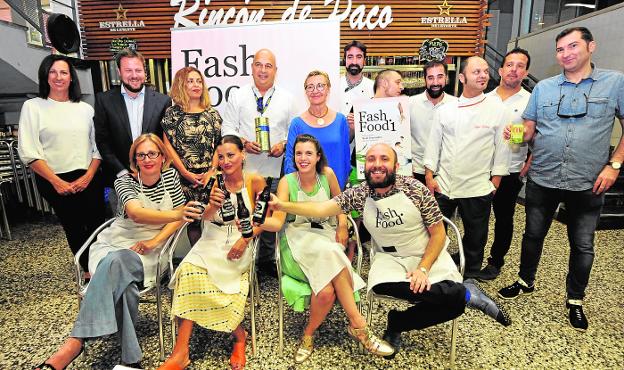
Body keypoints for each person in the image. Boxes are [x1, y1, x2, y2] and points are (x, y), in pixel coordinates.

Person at [269, 143, 511, 358]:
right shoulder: (360, 193)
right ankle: (463, 295)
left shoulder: (416, 190)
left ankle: (400, 322)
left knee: (453, 302)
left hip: (424, 253)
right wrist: (282, 204)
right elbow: (323, 209)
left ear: (396, 165)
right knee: (397, 289)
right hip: (389, 258)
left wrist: (423, 269)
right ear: (365, 166)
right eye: (372, 159)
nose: (377, 165)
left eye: (384, 159)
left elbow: (439, 234)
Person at [33, 134, 202, 370]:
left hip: (153, 249)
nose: (147, 159)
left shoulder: (171, 178)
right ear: (134, 160)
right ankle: (128, 361)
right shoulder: (124, 181)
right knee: (119, 269)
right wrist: (179, 213)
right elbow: (136, 214)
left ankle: (77, 342)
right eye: (141, 155)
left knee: (120, 272)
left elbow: (174, 225)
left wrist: (155, 241)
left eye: (152, 153)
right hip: (116, 241)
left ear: (163, 157)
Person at [498, 27, 624, 331]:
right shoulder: (545, 89)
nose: (565, 54)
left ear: (590, 46)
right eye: (560, 49)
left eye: (572, 46)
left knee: (582, 245)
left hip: (588, 180)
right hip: (544, 175)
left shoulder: (614, 82)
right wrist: (518, 136)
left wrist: (615, 164)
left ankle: (575, 300)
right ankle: (525, 281)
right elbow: (530, 128)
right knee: (532, 235)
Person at [159, 135, 276, 370]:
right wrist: (212, 205)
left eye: (231, 155)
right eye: (221, 156)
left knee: (226, 282)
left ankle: (239, 337)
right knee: (189, 272)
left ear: (243, 154)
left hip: (241, 236)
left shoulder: (254, 181)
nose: (225, 161)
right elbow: (204, 217)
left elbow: (266, 219)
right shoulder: (215, 180)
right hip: (212, 235)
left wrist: (245, 240)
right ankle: (181, 352)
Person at [269, 134, 389, 363]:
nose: (303, 158)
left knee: (325, 292)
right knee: (332, 252)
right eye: (298, 153)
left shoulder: (328, 175)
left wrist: (343, 225)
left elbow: (341, 204)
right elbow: (277, 220)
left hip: (326, 236)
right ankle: (359, 325)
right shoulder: (287, 181)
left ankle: (307, 336)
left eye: (308, 153)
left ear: (318, 157)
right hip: (297, 241)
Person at [423, 56, 510, 279]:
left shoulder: (496, 108)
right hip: (445, 184)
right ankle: (436, 267)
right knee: (435, 229)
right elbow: (434, 144)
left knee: (476, 234)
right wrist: (430, 176)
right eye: (476, 72)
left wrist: (495, 182)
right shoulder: (446, 109)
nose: (482, 75)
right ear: (462, 78)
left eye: (484, 71)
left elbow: (502, 147)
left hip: (477, 185)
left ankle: (470, 274)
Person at [18, 54, 105, 273]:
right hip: (54, 177)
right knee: (74, 226)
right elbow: (29, 151)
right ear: (45, 76)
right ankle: (86, 272)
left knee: (97, 224)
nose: (59, 77)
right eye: (53, 72)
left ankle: (101, 267)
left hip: (88, 175)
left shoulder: (84, 109)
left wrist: (88, 176)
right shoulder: (33, 107)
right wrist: (56, 182)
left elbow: (97, 147)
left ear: (71, 78)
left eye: (64, 72)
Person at [222, 48, 297, 276]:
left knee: (268, 217)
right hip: (244, 173)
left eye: (268, 66)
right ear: (252, 68)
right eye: (259, 65)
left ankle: (265, 262)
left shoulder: (287, 98)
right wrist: (242, 142)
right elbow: (227, 127)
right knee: (243, 215)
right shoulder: (238, 95)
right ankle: (244, 261)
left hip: (275, 170)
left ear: (275, 71)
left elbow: (292, 131)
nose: (263, 70)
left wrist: (283, 145)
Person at [94, 48, 172, 215]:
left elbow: (166, 143)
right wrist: (123, 172)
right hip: (120, 178)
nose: (134, 75)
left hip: (155, 180)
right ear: (119, 72)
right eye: (128, 70)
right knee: (124, 227)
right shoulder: (104, 100)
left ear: (145, 71)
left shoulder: (163, 101)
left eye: (138, 70)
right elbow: (103, 142)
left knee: (156, 224)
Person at [479, 48, 532, 281]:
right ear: (500, 70)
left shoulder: (530, 101)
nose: (514, 69)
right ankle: (472, 255)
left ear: (526, 72)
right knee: (477, 217)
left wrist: (527, 166)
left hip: (511, 171)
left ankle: (495, 261)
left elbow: (538, 136)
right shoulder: (485, 99)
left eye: (520, 66)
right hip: (482, 170)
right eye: (510, 64)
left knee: (504, 218)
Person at [161, 66, 222, 244]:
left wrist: (211, 170)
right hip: (183, 179)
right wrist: (186, 173)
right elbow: (167, 147)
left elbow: (219, 145)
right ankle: (195, 257)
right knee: (193, 223)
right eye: (190, 81)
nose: (196, 85)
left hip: (209, 177)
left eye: (199, 81)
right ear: (181, 85)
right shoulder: (172, 114)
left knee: (214, 219)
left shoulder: (212, 113)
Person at [283, 70, 351, 189]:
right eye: (310, 87)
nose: (315, 91)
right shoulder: (297, 124)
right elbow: (290, 160)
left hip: (337, 190)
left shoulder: (340, 120)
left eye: (320, 86)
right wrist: (297, 188)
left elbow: (345, 157)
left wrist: (343, 186)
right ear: (306, 92)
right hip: (307, 191)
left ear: (328, 89)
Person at [409, 60, 457, 184]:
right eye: (430, 78)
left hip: (446, 172)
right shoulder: (410, 104)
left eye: (439, 77)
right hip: (416, 172)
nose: (435, 82)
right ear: (425, 80)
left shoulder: (457, 105)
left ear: (446, 78)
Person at [340, 40, 375, 144]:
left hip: (365, 149)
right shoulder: (332, 86)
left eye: (359, 57)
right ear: (344, 60)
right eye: (350, 57)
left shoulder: (374, 88)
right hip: (337, 148)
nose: (354, 62)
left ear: (364, 60)